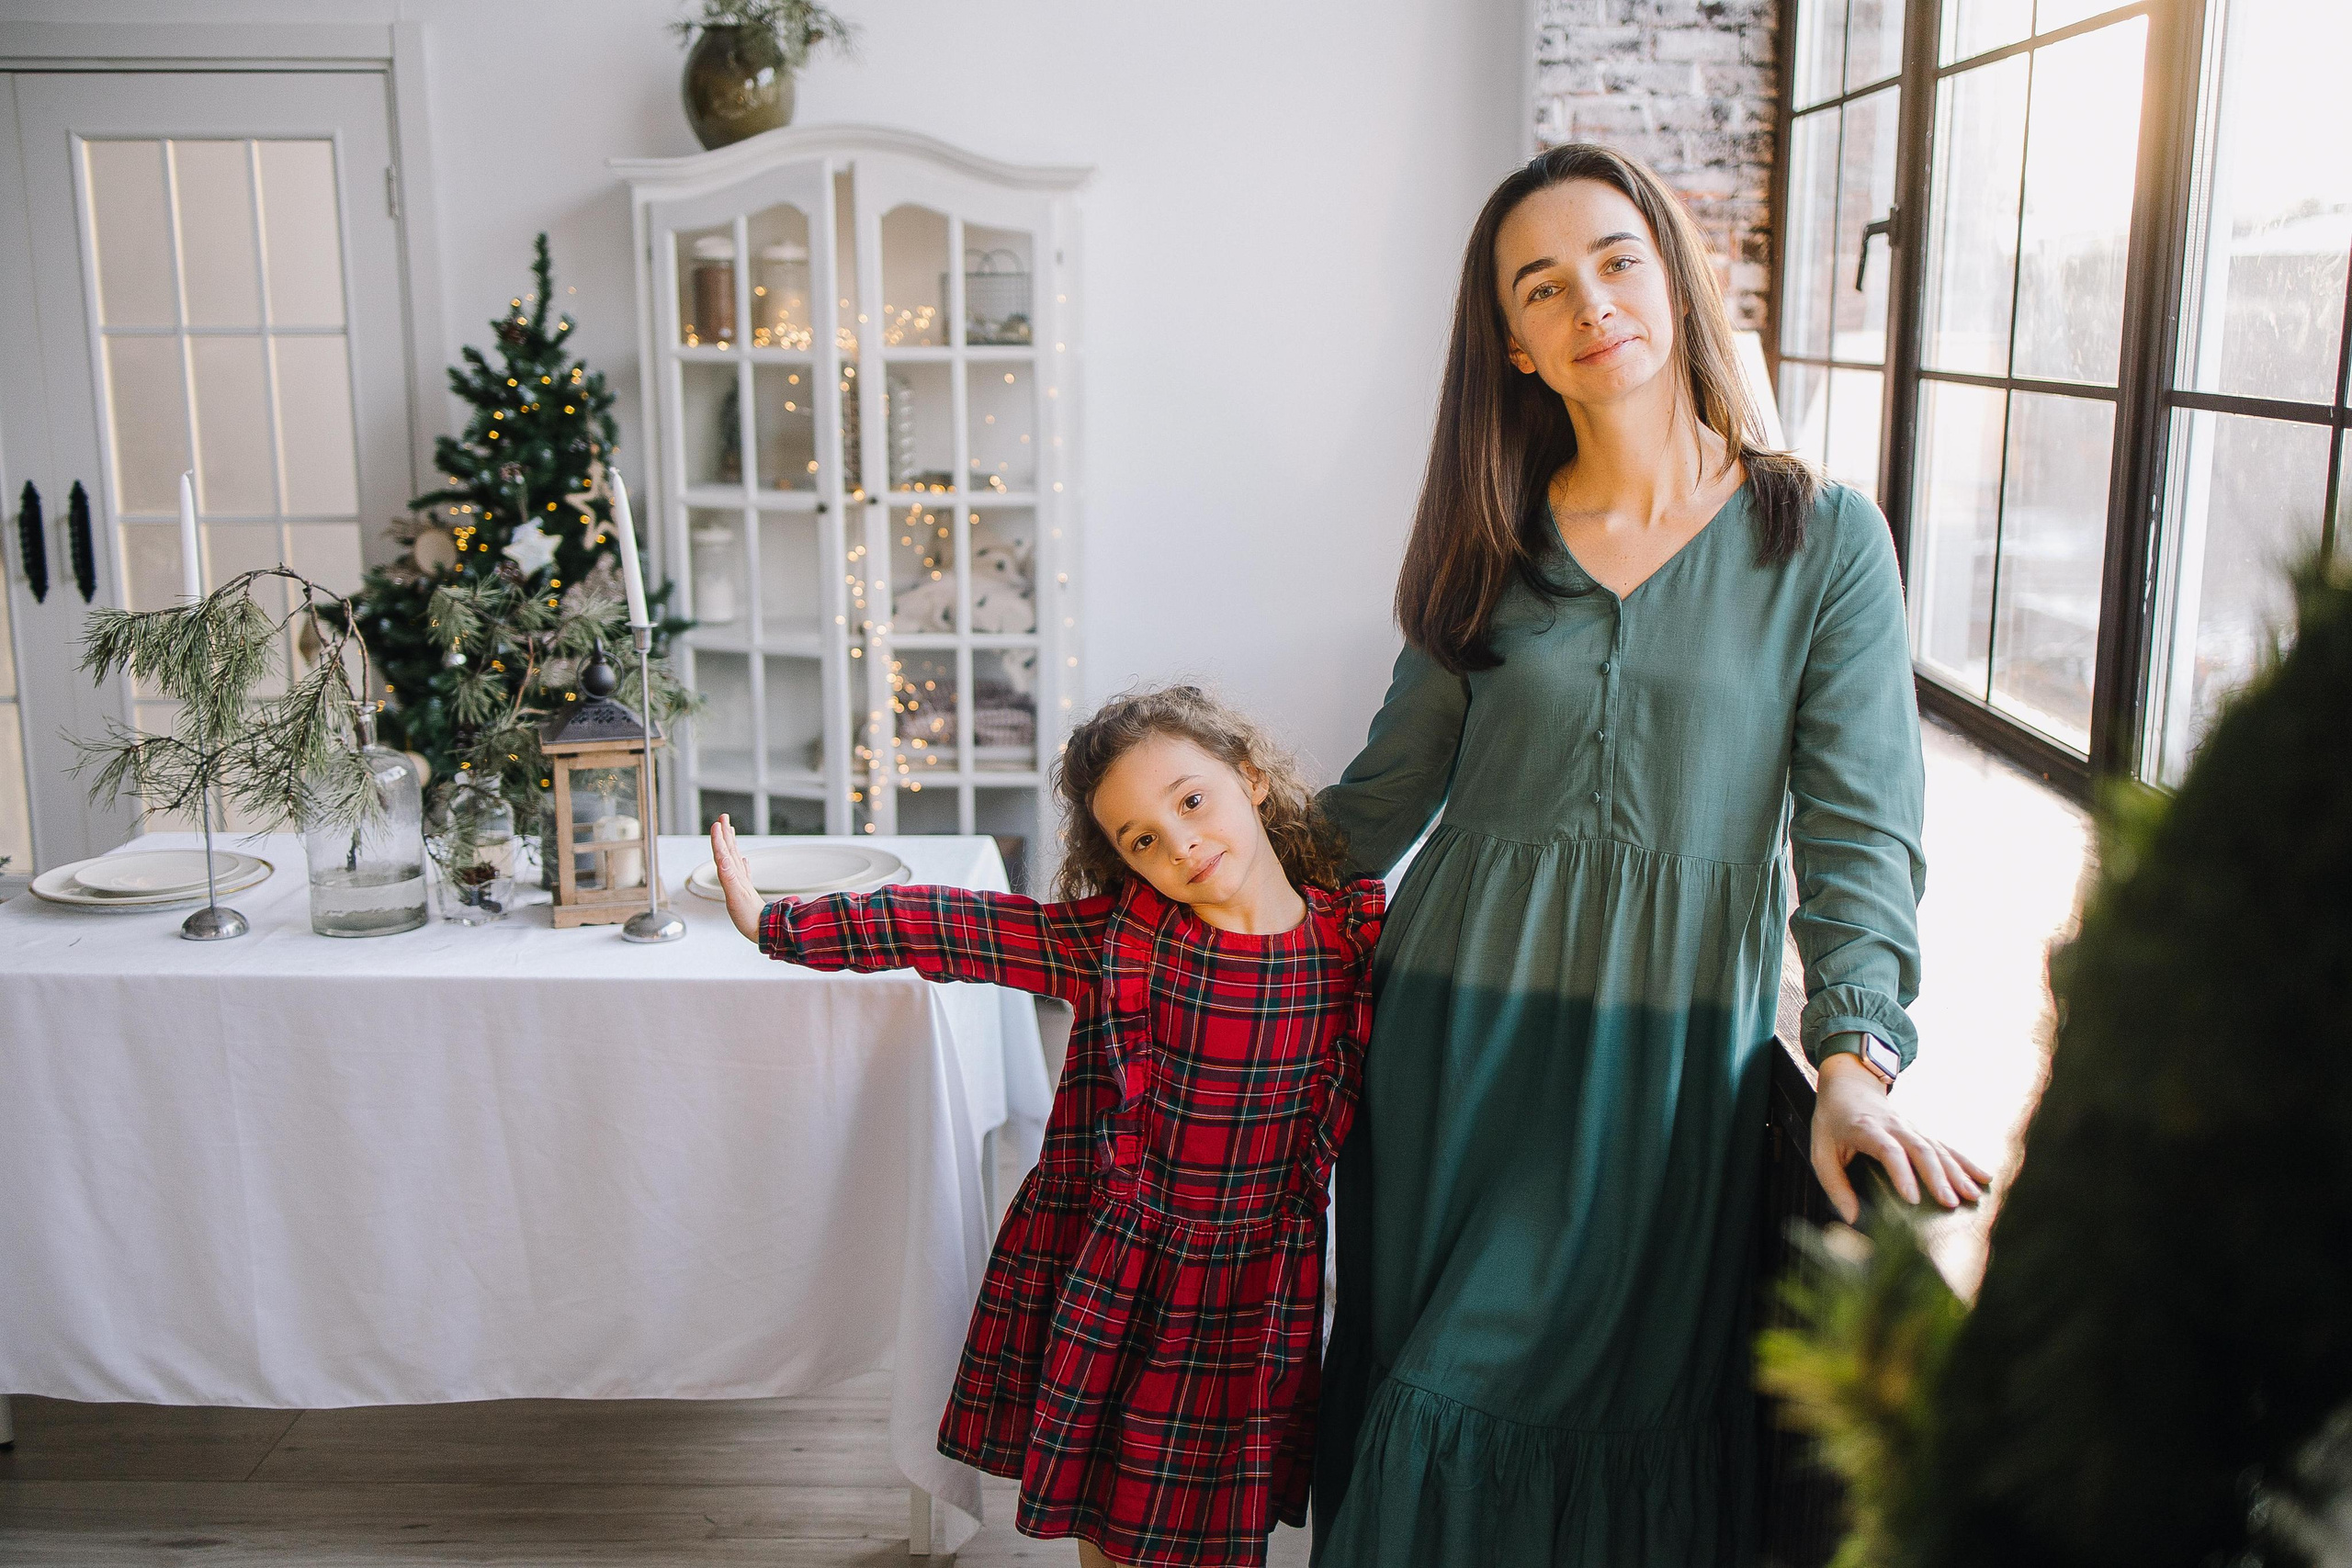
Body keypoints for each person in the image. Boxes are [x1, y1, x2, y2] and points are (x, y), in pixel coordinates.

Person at [1308, 143, 1993, 1565]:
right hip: (1452, 1046)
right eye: (1542, 284)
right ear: (1514, 341)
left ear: (1673, 280)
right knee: (1430, 1397)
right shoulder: (1483, 547)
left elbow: (1864, 833)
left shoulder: (1821, 538)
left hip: (1665, 1068)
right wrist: (1174, 827)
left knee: (1581, 1431)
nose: (1590, 301)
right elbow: (1368, 814)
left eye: (1616, 259)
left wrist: (1859, 1063)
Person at [710, 686, 1387, 1568]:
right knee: (1106, 1514)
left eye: (1191, 799)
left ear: (1251, 779)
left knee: (1220, 1531)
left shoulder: (1352, 944)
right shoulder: (1120, 942)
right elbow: (955, 927)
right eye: (1141, 838)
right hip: (1121, 1273)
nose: (1180, 843)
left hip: (1251, 1298)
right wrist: (778, 923)